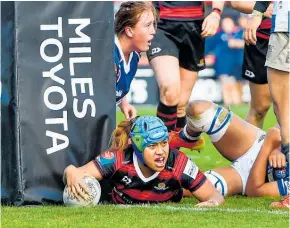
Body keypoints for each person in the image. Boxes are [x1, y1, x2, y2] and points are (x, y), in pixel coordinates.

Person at [63, 116, 224, 206]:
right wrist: (70, 171)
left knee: (212, 183)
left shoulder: (178, 163)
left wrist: (213, 203)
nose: (161, 152)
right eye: (152, 146)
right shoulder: (117, 158)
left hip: (173, 191)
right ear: (138, 148)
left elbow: (214, 196)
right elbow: (77, 173)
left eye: (164, 143)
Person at [170, 100, 289, 207]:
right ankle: (187, 138)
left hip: (247, 178)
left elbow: (253, 190)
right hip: (255, 144)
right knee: (199, 109)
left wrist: (269, 145)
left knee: (174, 186)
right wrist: (277, 147)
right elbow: (284, 121)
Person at [146, 1, 225, 133]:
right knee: (170, 92)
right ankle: (162, 147)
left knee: (181, 105)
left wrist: (215, 14)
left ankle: (174, 151)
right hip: (161, 25)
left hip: (194, 28)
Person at [231, 1, 273, 129]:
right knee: (259, 108)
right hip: (262, 40)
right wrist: (262, 11)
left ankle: (284, 147)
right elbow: (237, 2)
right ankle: (249, 148)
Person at [115, 1, 157, 120]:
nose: (153, 31)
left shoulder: (134, 56)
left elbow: (116, 85)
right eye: (147, 25)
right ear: (129, 31)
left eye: (153, 25)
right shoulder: (110, 58)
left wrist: (124, 104)